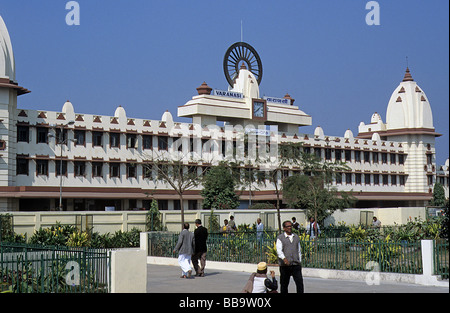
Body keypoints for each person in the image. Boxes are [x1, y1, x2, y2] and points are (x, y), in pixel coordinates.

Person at [276, 220, 304, 293]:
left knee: (299, 284)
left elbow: (299, 250)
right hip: (285, 265)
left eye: (290, 226)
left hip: (295, 264)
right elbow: (279, 251)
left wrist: (299, 261)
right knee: (284, 284)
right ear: (284, 228)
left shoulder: (296, 237)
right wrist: (284, 259)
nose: (289, 228)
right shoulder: (280, 238)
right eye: (287, 226)